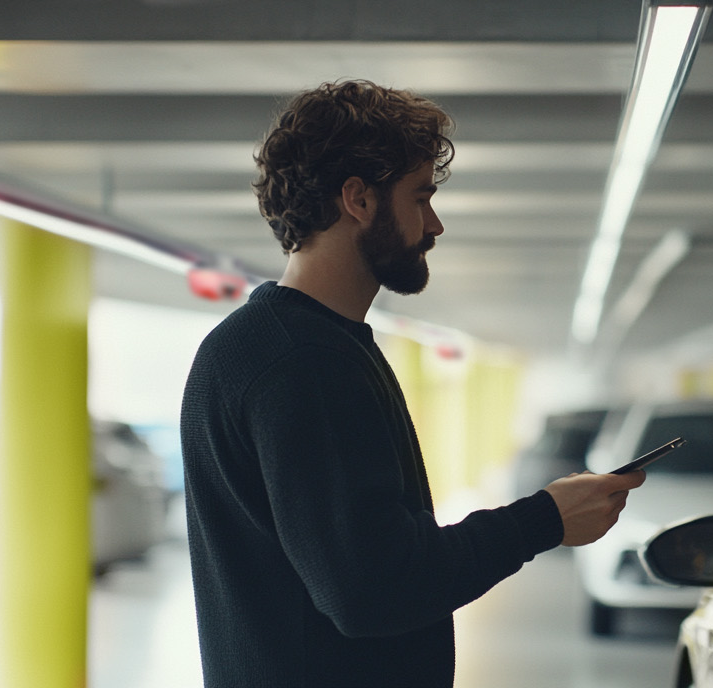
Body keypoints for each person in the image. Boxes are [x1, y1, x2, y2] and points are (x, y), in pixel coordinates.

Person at [180, 79, 647, 688]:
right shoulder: (304, 362)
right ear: (359, 200)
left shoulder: (279, 346)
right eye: (420, 196)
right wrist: (543, 520)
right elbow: (373, 590)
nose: (435, 223)